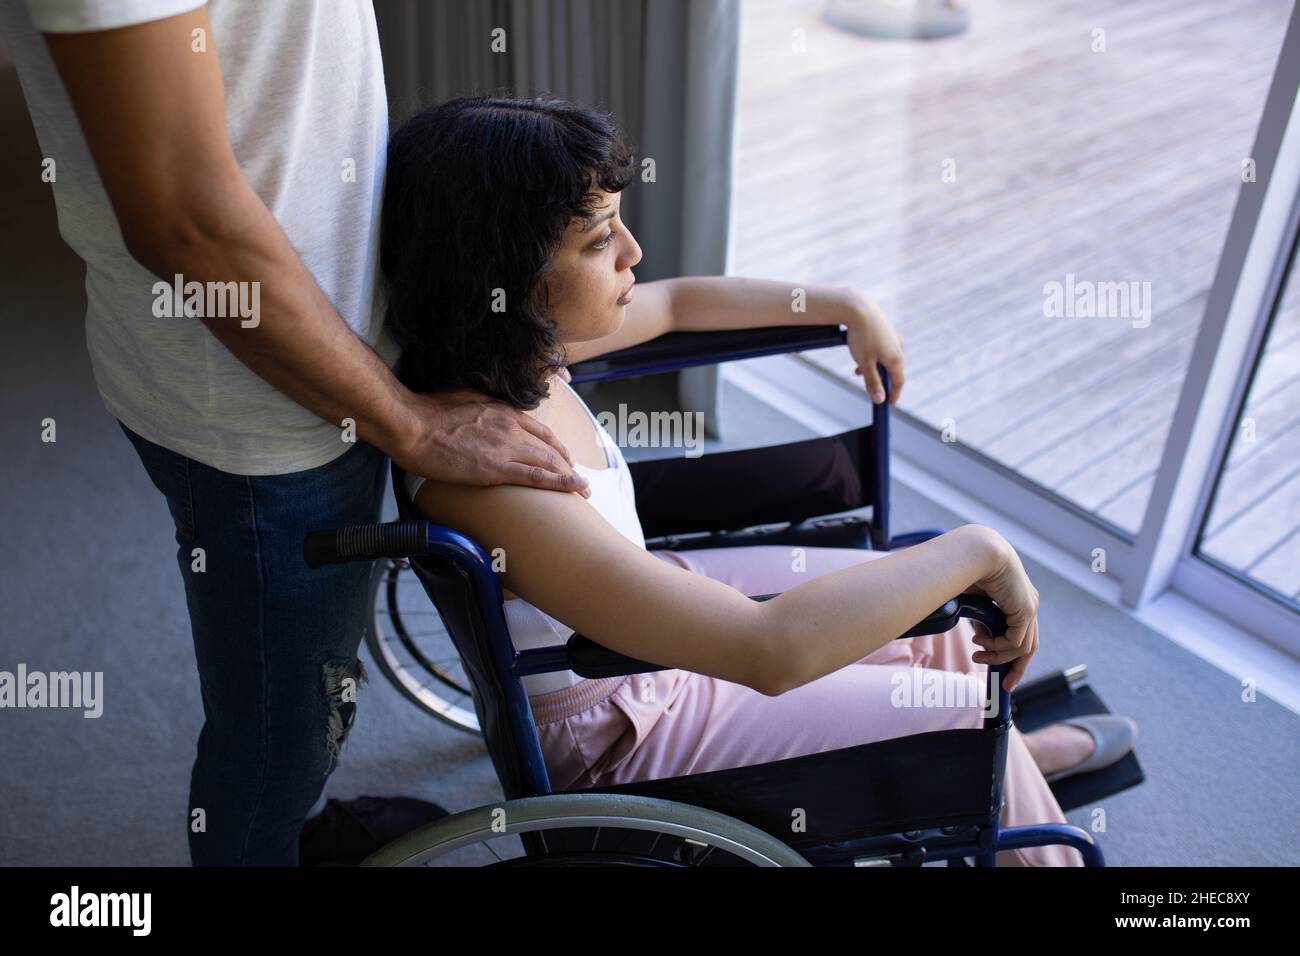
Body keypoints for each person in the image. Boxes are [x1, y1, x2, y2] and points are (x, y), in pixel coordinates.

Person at [386, 95, 1140, 866]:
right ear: (503, 270)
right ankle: (1000, 775)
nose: (635, 253)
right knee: (956, 707)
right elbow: (765, 651)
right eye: (602, 238)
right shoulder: (499, 477)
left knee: (938, 623)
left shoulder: (519, 356)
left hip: (637, 617)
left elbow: (679, 302)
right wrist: (981, 547)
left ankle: (1005, 769)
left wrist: (845, 304)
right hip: (626, 727)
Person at [0, 1, 592, 866]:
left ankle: (297, 829)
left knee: (314, 686)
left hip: (332, 354)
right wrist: (408, 425)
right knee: (283, 734)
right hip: (260, 403)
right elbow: (182, 219)